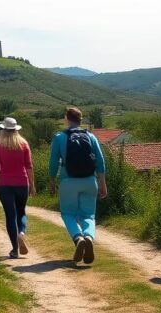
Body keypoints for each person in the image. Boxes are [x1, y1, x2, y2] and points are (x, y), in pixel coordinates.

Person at [48, 107, 106, 264]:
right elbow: (100, 161)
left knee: (68, 214)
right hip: (89, 181)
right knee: (89, 215)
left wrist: (52, 180)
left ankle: (78, 238)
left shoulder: (60, 137)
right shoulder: (91, 136)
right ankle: (88, 236)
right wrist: (102, 184)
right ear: (81, 120)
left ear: (66, 119)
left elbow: (53, 162)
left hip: (68, 181)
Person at [0, 116, 36, 259]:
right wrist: (32, 185)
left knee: (10, 215)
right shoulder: (23, 144)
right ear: (16, 129)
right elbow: (29, 166)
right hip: (22, 183)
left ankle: (15, 249)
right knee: (21, 212)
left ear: (3, 130)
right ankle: (21, 234)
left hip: (4, 184)